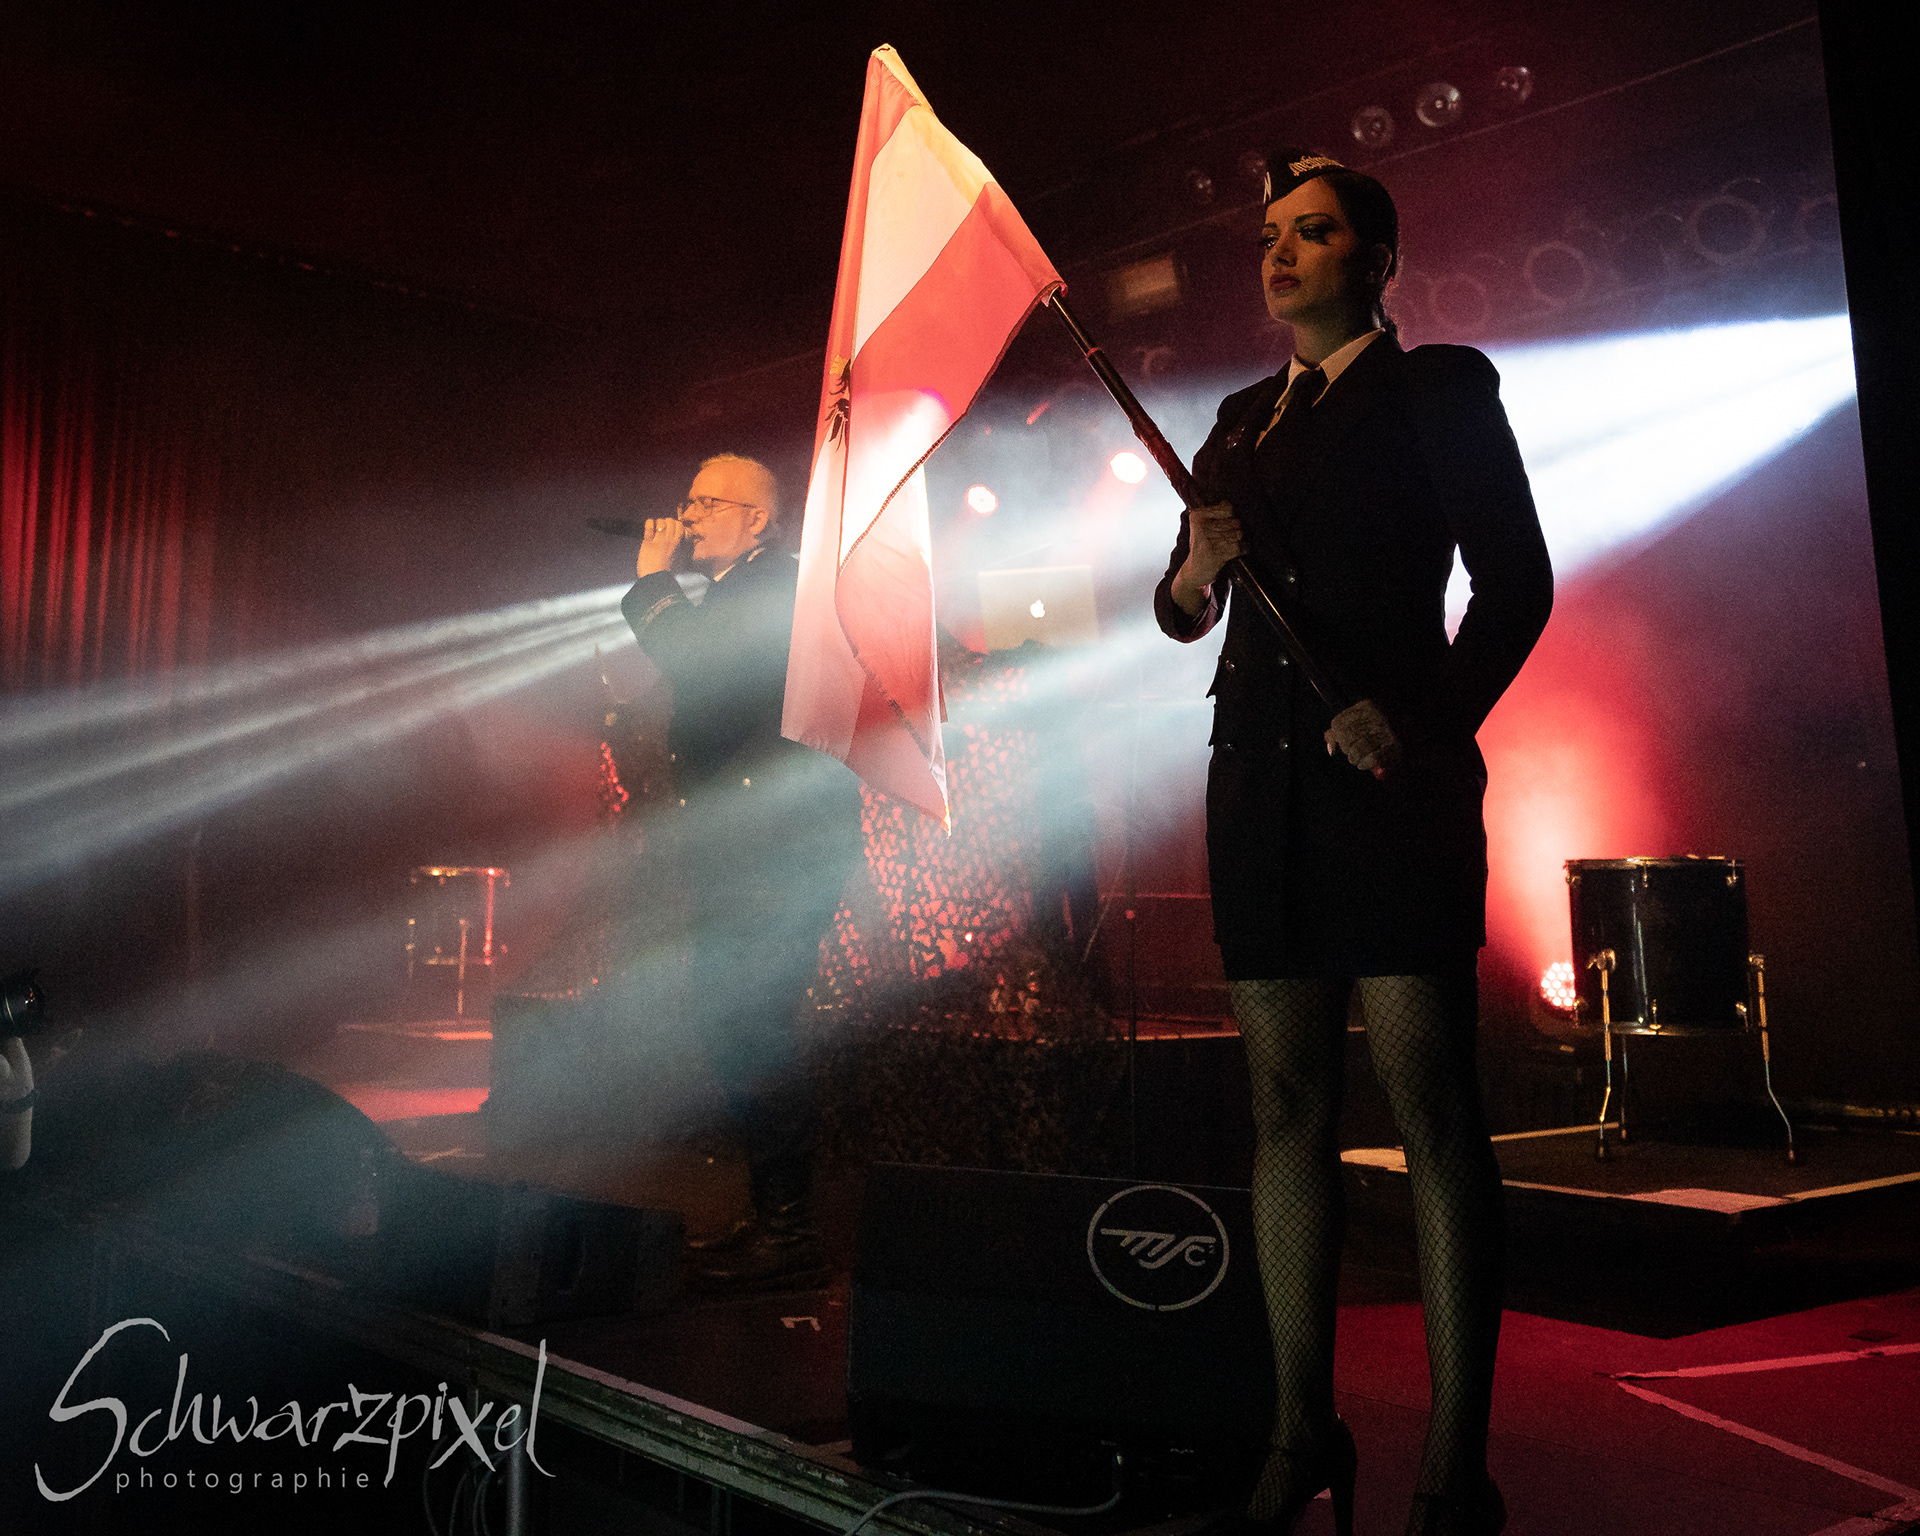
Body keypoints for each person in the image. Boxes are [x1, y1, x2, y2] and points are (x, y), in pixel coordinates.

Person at [1153, 150, 1553, 1536]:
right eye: (1269, 233)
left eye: (1311, 232)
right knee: (1283, 1106)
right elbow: (1179, 612)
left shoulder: (1439, 390)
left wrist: (1420, 715)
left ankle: (1454, 1462)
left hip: (1389, 786)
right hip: (1258, 789)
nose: (1278, 253)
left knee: (1430, 1102)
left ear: (1375, 261)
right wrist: (1195, 569)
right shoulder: (1236, 419)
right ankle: (1298, 1429)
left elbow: (1517, 585)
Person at [621, 453, 864, 1289]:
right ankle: (772, 1212)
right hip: (752, 846)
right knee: (733, 1024)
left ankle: (791, 1228)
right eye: (688, 500)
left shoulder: (780, 586)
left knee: (750, 1027)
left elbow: (700, 663)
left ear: (757, 520)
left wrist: (652, 584)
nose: (687, 516)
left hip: (782, 847)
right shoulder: (737, 588)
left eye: (707, 503)